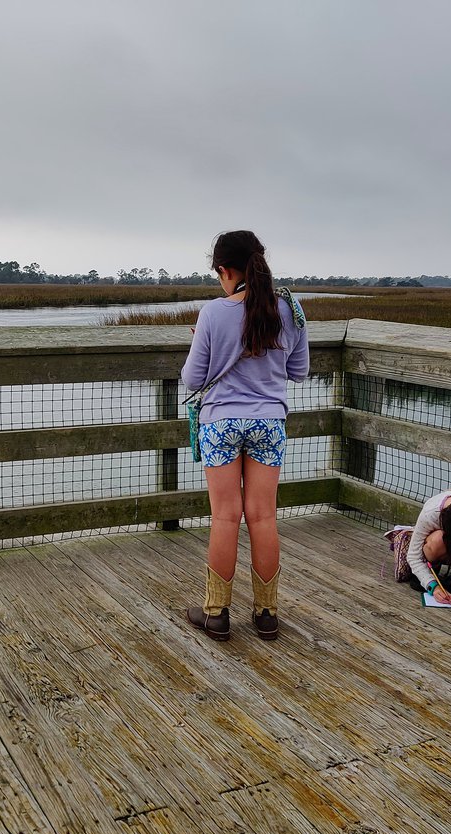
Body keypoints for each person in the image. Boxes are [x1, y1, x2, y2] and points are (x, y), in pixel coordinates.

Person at [181, 230, 310, 640]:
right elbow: (299, 370)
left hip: (220, 423)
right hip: (268, 423)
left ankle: (216, 613)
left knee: (225, 516)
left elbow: (191, 380)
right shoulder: (290, 308)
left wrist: (204, 345)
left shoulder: (213, 314)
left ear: (226, 270)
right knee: (263, 516)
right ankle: (267, 614)